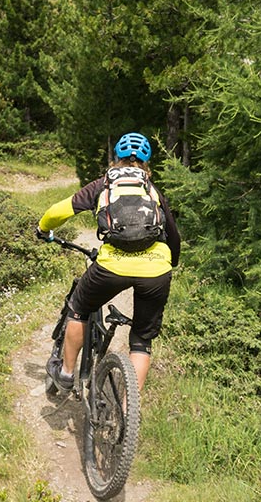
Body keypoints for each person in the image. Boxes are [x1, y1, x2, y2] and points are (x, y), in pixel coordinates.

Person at [37, 132, 180, 392]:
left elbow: (58, 212)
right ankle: (128, 410)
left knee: (78, 309)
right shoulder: (151, 190)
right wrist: (171, 263)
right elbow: (173, 233)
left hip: (111, 267)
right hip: (156, 271)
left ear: (116, 158)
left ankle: (67, 373)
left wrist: (43, 228)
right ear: (147, 164)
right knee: (141, 340)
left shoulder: (104, 184)